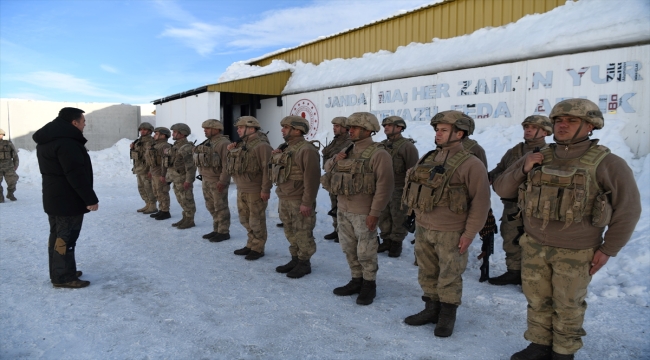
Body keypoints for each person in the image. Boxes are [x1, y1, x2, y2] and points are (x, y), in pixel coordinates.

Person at [493, 99, 641, 360]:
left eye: (571, 121)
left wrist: (609, 249)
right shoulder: (538, 156)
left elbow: (628, 209)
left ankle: (563, 352)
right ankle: (539, 344)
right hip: (535, 244)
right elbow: (502, 189)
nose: (562, 125)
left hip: (577, 250)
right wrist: (523, 169)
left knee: (568, 305)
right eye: (559, 120)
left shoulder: (608, 163)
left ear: (590, 125)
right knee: (537, 299)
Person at [402, 110, 490, 337]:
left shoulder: (472, 164)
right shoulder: (429, 157)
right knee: (427, 272)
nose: (438, 134)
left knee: (450, 275)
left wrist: (469, 234)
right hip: (424, 227)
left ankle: (447, 316)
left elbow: (481, 203)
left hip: (451, 231)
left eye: (443, 130)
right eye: (437, 130)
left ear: (459, 133)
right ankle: (431, 309)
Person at [323, 112, 394, 305]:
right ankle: (356, 280)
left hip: (364, 212)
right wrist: (336, 159)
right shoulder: (348, 149)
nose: (350, 131)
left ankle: (369, 284)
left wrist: (374, 213)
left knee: (366, 251)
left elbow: (384, 187)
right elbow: (328, 168)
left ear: (367, 130)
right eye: (350, 127)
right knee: (348, 248)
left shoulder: (379, 154)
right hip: (344, 209)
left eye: (354, 128)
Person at [32, 107, 99, 289]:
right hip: (68, 199)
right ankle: (63, 277)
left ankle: (61, 270)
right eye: (83, 121)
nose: (85, 124)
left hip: (55, 197)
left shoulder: (48, 140)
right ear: (74, 122)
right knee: (66, 238)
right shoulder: (67, 142)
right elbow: (75, 174)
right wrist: (90, 198)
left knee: (57, 236)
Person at [487, 115, 552, 286]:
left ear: (545, 132)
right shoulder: (515, 151)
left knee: (536, 243)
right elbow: (500, 168)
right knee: (510, 237)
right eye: (526, 127)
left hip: (537, 206)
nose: (528, 130)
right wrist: (489, 177)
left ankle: (533, 279)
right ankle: (514, 271)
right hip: (513, 203)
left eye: (533, 127)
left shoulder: (551, 153)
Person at [270, 116, 321, 278]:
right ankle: (295, 258)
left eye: (286, 127)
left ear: (297, 130)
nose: (282, 130)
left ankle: (304, 262)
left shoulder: (306, 150)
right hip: (285, 197)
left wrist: (307, 202)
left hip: (299, 200)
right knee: (290, 231)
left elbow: (311, 179)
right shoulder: (287, 148)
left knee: (303, 232)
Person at [226, 116, 273, 260]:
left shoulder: (262, 146)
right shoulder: (241, 145)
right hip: (242, 189)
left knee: (256, 221)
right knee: (245, 219)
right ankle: (251, 244)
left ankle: (258, 248)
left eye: (240, 127)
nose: (238, 130)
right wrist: (230, 151)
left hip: (255, 190)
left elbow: (268, 170)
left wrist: (265, 189)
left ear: (251, 129)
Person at [377, 116, 419, 257]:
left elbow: (413, 171)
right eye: (385, 126)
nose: (386, 128)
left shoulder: (408, 147)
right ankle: (386, 240)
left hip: (399, 189)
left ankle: (396, 243)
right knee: (383, 216)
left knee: (398, 217)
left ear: (400, 128)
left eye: (389, 125)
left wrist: (410, 193)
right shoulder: (381, 145)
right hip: (382, 188)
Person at [194, 119, 232, 242]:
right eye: (205, 128)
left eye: (208, 128)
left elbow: (227, 165)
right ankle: (216, 229)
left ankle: (223, 231)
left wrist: (223, 181)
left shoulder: (223, 143)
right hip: (206, 179)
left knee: (220, 206)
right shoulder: (208, 143)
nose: (205, 130)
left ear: (217, 129)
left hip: (217, 180)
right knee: (211, 206)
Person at [321, 116, 352, 242]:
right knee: (335, 205)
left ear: (345, 128)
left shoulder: (349, 142)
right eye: (334, 126)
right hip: (333, 179)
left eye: (337, 126)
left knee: (343, 207)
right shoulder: (336, 141)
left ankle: (344, 232)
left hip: (342, 179)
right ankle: (337, 229)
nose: (334, 128)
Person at [164, 123, 197, 229]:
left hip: (183, 179)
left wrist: (188, 180)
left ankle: (190, 220)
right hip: (176, 178)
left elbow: (190, 166)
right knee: (181, 199)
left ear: (182, 134)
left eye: (175, 132)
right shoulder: (176, 146)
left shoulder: (186, 147)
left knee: (187, 199)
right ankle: (185, 218)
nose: (172, 134)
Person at [145, 127, 172, 220]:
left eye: (156, 134)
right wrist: (150, 171)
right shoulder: (156, 145)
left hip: (160, 174)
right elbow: (151, 160)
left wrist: (164, 175)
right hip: (155, 173)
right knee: (157, 192)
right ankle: (161, 210)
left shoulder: (165, 146)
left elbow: (166, 162)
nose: (154, 136)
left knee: (163, 192)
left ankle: (165, 211)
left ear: (163, 136)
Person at [130, 122, 157, 214]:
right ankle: (147, 204)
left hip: (146, 169)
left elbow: (152, 157)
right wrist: (132, 148)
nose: (142, 131)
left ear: (150, 131)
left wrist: (150, 170)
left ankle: (153, 205)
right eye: (141, 129)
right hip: (139, 168)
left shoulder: (151, 141)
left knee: (148, 187)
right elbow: (137, 154)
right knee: (141, 188)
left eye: (145, 129)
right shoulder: (138, 141)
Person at [0, 128, 19, 202]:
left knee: (13, 181)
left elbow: (15, 155)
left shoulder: (8, 143)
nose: (0, 136)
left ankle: (10, 193)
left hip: (8, 166)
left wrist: (16, 164)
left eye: (1, 135)